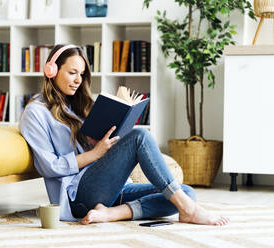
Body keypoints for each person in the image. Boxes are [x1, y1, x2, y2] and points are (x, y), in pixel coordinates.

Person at [19, 44, 229, 226]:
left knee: (185, 193)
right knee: (140, 136)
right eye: (72, 72)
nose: (78, 80)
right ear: (51, 70)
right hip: (76, 196)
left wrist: (99, 143)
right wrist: (96, 153)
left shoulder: (75, 106)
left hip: (107, 188)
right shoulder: (34, 113)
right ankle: (189, 211)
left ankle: (112, 214)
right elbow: (49, 167)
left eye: (81, 75)